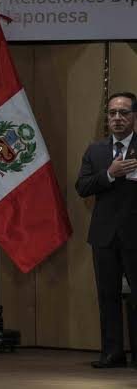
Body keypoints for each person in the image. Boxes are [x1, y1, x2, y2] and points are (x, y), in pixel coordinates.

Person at [76, 91, 137, 369]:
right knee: (107, 296)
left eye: (123, 112)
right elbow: (83, 187)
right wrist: (110, 173)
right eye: (112, 113)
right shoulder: (96, 151)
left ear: (134, 116)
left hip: (135, 234)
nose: (117, 118)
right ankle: (113, 353)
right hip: (103, 236)